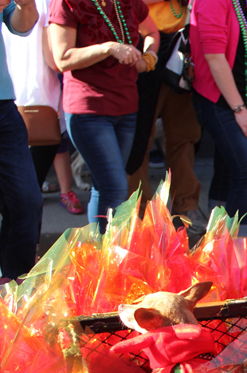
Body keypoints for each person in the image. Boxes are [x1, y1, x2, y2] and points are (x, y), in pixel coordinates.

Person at [48, 0, 159, 231]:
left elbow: (151, 31)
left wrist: (149, 58)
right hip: (89, 109)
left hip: (126, 108)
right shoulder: (66, 3)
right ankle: (109, 257)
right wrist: (108, 47)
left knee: (104, 186)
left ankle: (101, 256)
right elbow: (62, 58)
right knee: (115, 187)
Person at [190, 0, 247, 238]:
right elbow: (214, 57)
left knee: (228, 171)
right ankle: (236, 253)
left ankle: (216, 244)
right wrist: (239, 109)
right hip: (220, 101)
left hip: (246, 99)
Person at [0, 0, 44, 279]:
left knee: (26, 200)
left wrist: (26, 4)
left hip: (0, 104)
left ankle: (17, 288)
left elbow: (23, 25)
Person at [127, 0, 204, 235]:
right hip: (146, 43)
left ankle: (186, 206)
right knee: (140, 137)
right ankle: (143, 214)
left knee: (185, 134)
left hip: (182, 44)